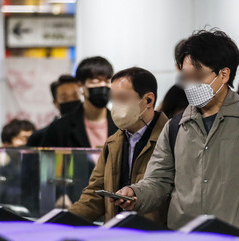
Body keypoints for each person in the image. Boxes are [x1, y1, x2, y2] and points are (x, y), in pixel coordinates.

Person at [113, 29, 239, 230]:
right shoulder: (175, 127)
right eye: (186, 76)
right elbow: (159, 180)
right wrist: (136, 194)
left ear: (224, 74)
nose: (191, 84)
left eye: (198, 76)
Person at [69, 67, 168, 224]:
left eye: (122, 99)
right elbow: (95, 195)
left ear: (148, 100)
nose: (116, 107)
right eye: (113, 99)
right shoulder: (112, 143)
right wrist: (64, 220)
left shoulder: (172, 137)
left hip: (155, 235)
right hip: (118, 234)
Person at [41, 56, 117, 148]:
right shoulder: (60, 128)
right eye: (95, 81)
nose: (102, 85)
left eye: (107, 81)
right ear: (80, 85)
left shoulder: (122, 127)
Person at [27, 75, 81, 147]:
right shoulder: (40, 136)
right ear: (55, 102)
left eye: (75, 96)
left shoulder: (91, 131)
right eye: (64, 98)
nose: (71, 100)